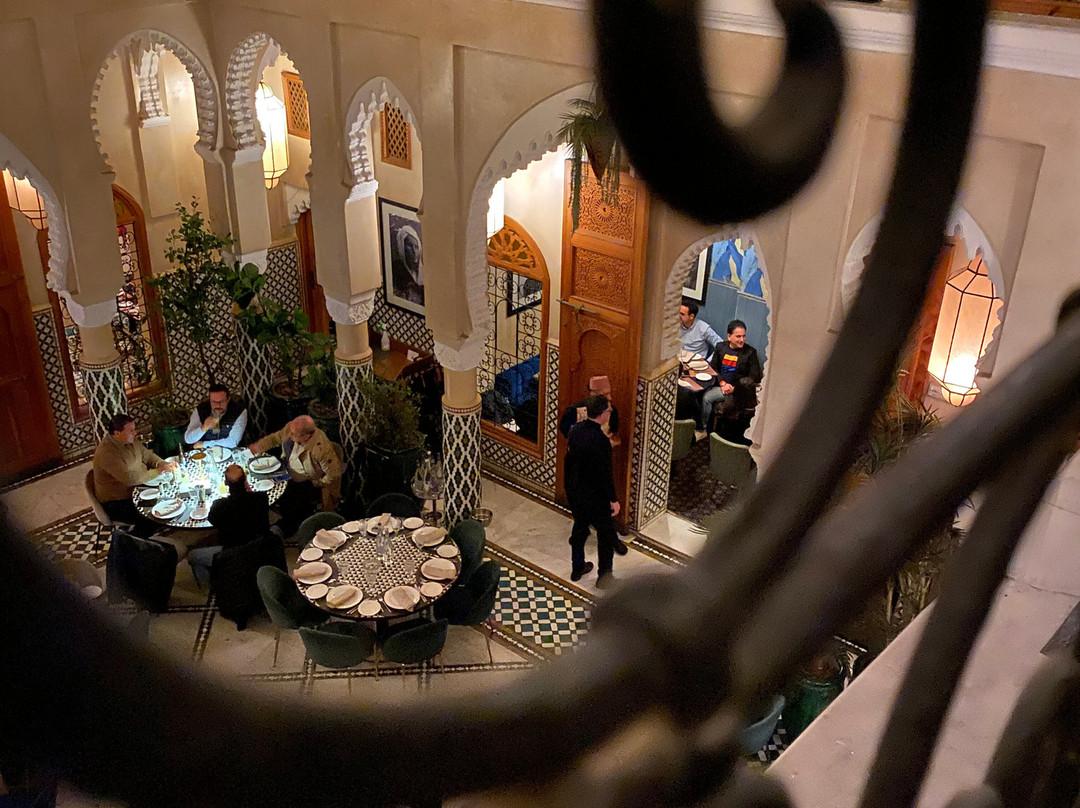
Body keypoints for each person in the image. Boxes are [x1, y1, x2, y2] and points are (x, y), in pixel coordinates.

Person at [248, 415, 342, 537]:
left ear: (306, 436)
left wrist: (317, 483)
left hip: (307, 481)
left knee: (292, 505)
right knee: (261, 485)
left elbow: (334, 474)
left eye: (293, 434)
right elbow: (275, 439)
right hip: (287, 469)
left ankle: (283, 530)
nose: (289, 435)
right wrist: (258, 447)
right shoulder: (292, 428)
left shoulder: (321, 449)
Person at [564, 395, 622, 588]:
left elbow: (570, 462)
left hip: (576, 492)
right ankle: (604, 577)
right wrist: (613, 499)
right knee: (605, 535)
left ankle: (577, 567)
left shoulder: (575, 431)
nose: (610, 414)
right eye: (609, 411)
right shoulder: (601, 441)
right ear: (602, 415)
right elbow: (605, 475)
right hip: (596, 496)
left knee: (580, 528)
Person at [92, 413, 178, 537]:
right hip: (117, 502)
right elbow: (130, 479)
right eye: (131, 430)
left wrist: (163, 464)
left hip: (137, 488)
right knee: (151, 516)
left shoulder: (131, 440)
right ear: (117, 433)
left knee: (168, 495)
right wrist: (159, 471)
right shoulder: (108, 453)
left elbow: (148, 456)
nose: (135, 433)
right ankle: (133, 542)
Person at [187, 464, 272, 587]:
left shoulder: (219, 506)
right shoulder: (261, 498)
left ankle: (216, 585)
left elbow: (212, 521)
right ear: (245, 479)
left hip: (231, 553)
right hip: (261, 547)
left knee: (192, 555)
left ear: (225, 483)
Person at [699, 319, 763, 438]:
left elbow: (754, 377)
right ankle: (703, 429)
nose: (742, 339)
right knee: (706, 398)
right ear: (729, 336)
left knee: (721, 404)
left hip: (739, 392)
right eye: (738, 336)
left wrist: (735, 388)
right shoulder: (720, 347)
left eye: (744, 336)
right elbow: (713, 368)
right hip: (722, 386)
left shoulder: (750, 352)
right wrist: (722, 383)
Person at [185, 384, 247, 449]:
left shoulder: (239, 411)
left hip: (228, 450)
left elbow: (233, 442)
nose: (218, 405)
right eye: (214, 402)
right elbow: (188, 439)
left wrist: (205, 444)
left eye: (222, 401)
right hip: (205, 452)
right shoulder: (200, 410)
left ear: (228, 399)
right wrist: (204, 428)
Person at [559, 375, 620, 441]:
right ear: (593, 393)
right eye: (605, 394)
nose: (609, 397)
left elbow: (614, 430)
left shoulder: (611, 410)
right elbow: (564, 428)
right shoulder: (574, 409)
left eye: (609, 393)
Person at [393, 224, 424, 305]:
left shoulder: (425, 273)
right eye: (410, 246)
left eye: (416, 247)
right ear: (402, 247)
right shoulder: (396, 271)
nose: (414, 251)